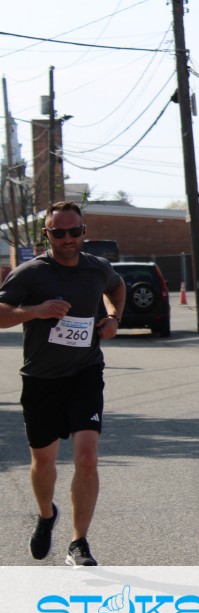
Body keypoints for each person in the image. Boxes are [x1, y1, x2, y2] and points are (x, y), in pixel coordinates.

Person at [0, 201, 126, 567]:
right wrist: (35, 311)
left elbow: (117, 287)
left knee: (87, 456)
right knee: (43, 461)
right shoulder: (30, 273)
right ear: (46, 235)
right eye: (59, 233)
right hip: (41, 379)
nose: (67, 239)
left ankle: (78, 543)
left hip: (85, 373)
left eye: (74, 231)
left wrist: (114, 318)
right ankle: (46, 514)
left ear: (84, 232)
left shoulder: (96, 268)